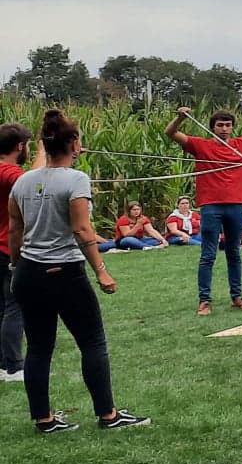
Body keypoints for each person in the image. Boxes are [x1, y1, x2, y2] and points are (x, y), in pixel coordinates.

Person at [7, 110, 149, 432]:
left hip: (29, 272)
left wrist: (17, 265)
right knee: (92, 342)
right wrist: (101, 271)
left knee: (39, 346)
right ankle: (108, 415)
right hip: (65, 272)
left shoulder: (23, 180)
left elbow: (16, 230)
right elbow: (83, 230)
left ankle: (44, 420)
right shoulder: (77, 179)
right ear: (74, 143)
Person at [164, 104, 242, 317]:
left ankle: (237, 298)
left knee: (234, 253)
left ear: (232, 127)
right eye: (220, 125)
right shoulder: (201, 145)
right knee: (208, 255)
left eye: (228, 125)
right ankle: (204, 301)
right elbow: (170, 133)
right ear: (212, 128)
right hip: (211, 206)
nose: (224, 129)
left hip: (237, 205)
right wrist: (180, 118)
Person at [0, 122, 27, 385]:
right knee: (14, 306)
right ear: (20, 147)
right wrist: (50, 152)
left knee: (2, 306)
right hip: (5, 248)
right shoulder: (8, 170)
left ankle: (2, 364)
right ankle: (14, 366)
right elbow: (31, 183)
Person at [101, 203, 168, 251]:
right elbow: (126, 234)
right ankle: (148, 247)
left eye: (138, 209)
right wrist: (138, 225)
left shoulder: (143, 218)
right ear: (129, 211)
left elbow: (151, 230)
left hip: (139, 239)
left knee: (155, 240)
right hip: (124, 240)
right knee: (129, 240)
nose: (136, 211)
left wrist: (162, 239)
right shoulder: (124, 219)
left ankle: (142, 246)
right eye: (134, 210)